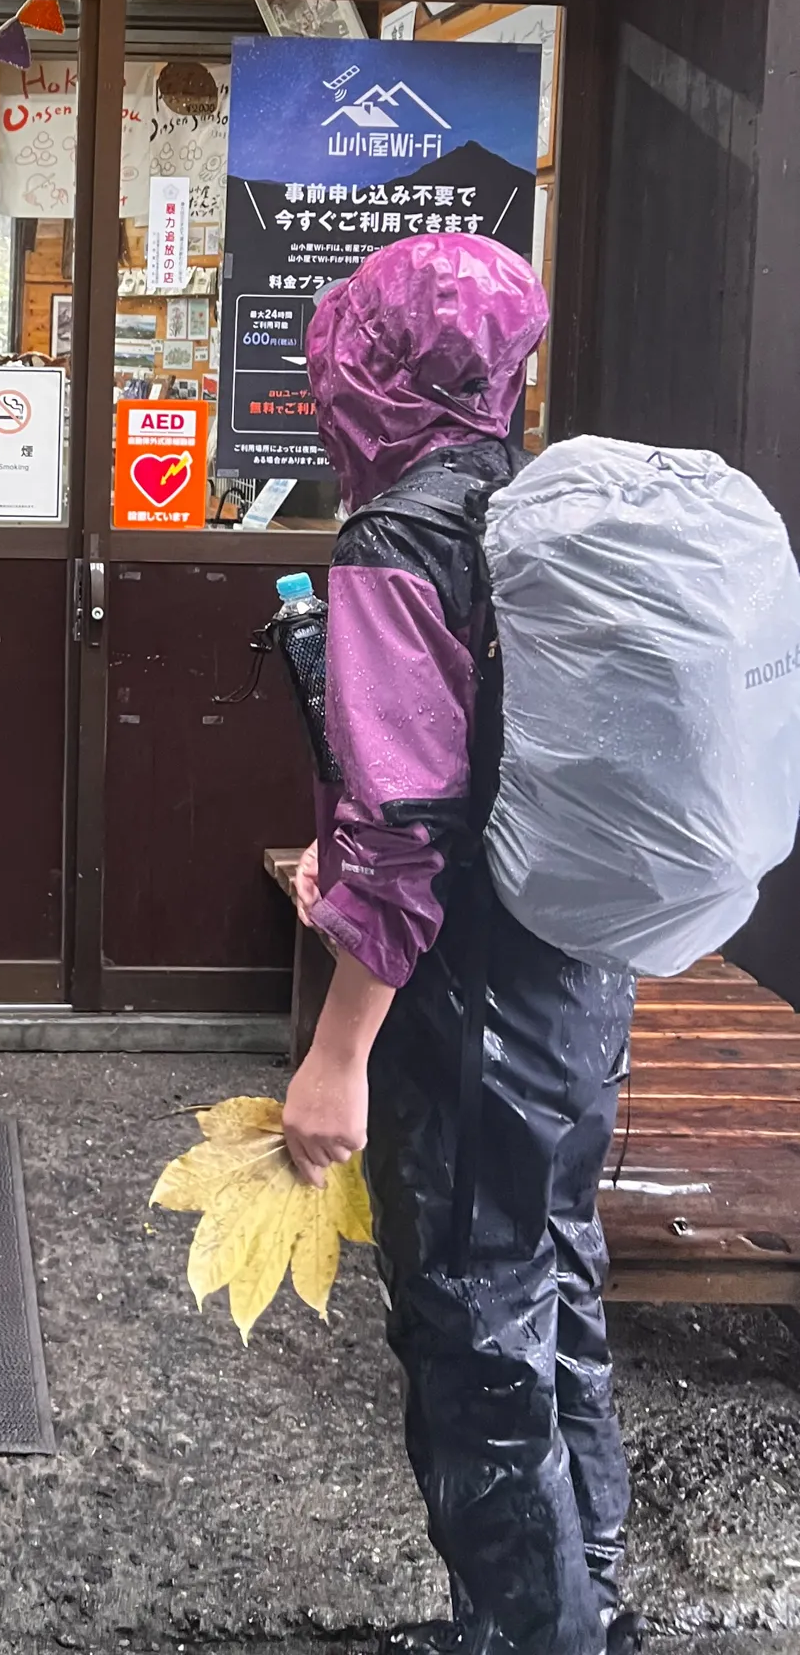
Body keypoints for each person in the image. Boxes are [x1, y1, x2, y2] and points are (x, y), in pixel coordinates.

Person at [281, 233, 637, 1655]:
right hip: (575, 983)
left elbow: (408, 829)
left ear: (374, 366)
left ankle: (531, 1631)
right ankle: (580, 1602)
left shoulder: (399, 537)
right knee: (558, 1295)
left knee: (477, 1334)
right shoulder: (534, 506)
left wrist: (336, 1056)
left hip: (471, 1001)